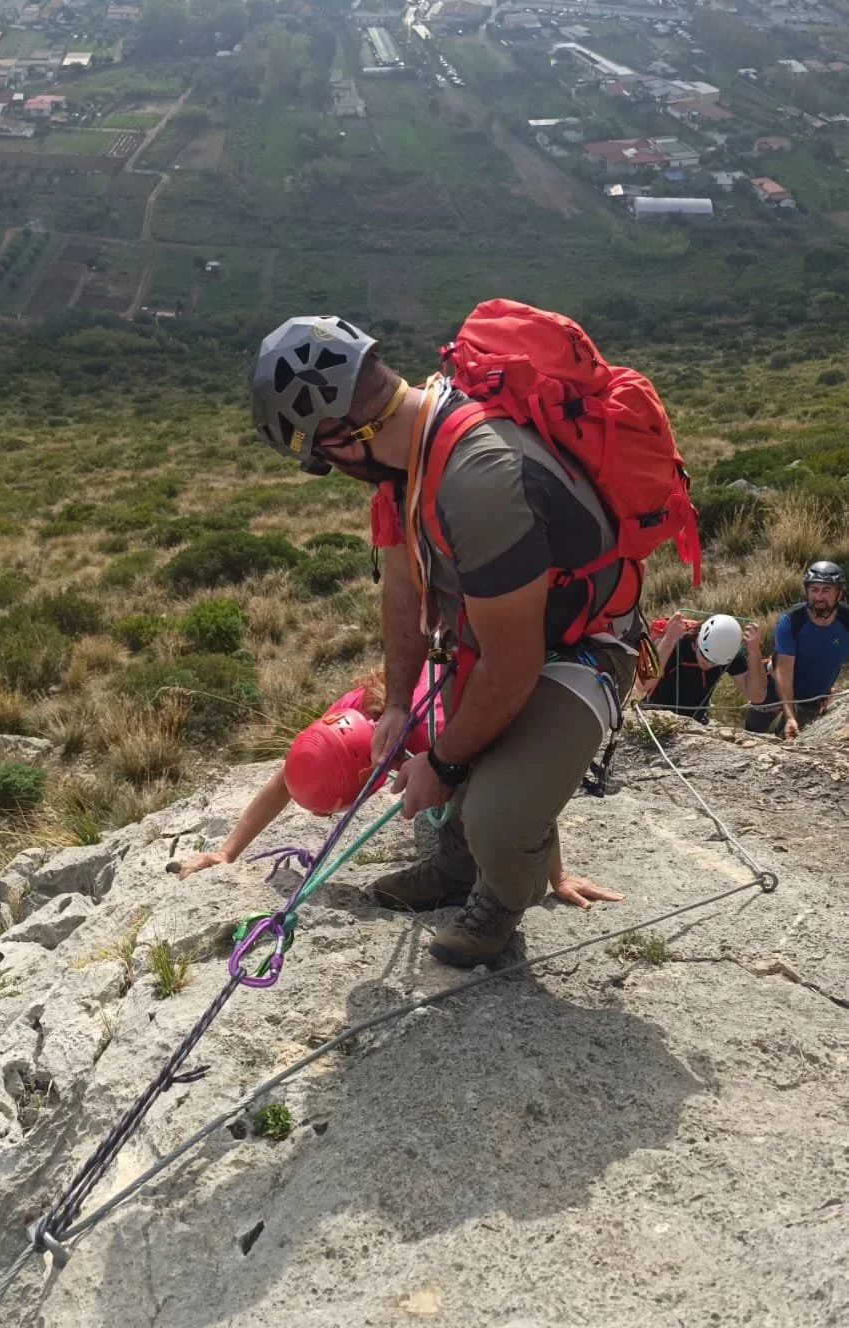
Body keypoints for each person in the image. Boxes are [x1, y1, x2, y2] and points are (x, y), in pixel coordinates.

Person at [251, 314, 645, 967]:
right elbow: (403, 590)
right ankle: (456, 869)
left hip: (580, 648)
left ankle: (498, 899)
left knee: (494, 809)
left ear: (341, 441)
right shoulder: (409, 455)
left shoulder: (478, 479)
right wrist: (402, 703)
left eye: (321, 456)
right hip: (495, 637)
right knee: (450, 736)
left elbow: (515, 667)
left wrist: (442, 766)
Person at [178, 662, 621, 911]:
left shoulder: (435, 735)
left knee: (470, 796)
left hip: (500, 719)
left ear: (364, 776)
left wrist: (556, 874)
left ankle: (459, 871)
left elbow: (525, 792)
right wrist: (227, 851)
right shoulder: (351, 714)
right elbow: (283, 781)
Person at [745, 561, 849, 740]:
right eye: (814, 590)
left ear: (839, 593)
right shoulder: (792, 621)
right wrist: (790, 715)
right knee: (751, 738)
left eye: (826, 590)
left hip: (812, 699)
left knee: (789, 745)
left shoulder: (846, 621)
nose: (819, 597)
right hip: (773, 693)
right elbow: (784, 671)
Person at [635, 611, 767, 725]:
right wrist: (669, 638)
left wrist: (754, 652)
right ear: (697, 642)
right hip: (655, 715)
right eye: (705, 657)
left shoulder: (727, 653)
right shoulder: (677, 643)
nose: (709, 665)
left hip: (694, 721)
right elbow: (642, 685)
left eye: (716, 663)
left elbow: (757, 697)